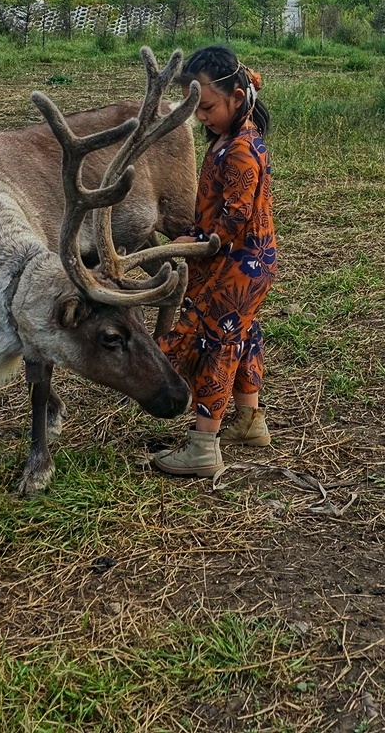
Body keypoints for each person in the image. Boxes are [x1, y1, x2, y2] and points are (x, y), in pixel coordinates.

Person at [151, 45, 277, 478]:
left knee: (215, 347)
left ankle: (204, 446)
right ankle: (249, 421)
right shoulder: (230, 140)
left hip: (237, 266)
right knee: (241, 336)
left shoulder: (241, 148)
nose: (200, 117)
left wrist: (203, 241)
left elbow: (237, 215)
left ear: (237, 99)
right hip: (248, 264)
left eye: (206, 107)